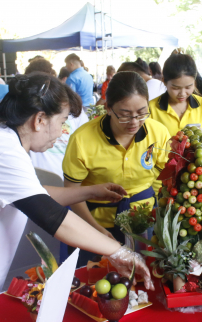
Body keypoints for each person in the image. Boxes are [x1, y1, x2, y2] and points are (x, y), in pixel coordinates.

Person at [0, 73, 154, 321]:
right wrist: (121, 251)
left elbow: (34, 194)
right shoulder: (1, 152)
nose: (62, 131)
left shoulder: (4, 142)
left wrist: (90, 191)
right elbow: (53, 217)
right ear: (39, 120)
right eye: (62, 121)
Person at [62, 71, 171, 267]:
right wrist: (94, 230)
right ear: (108, 108)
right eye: (125, 115)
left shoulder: (158, 132)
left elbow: (165, 175)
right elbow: (71, 192)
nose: (135, 122)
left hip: (144, 219)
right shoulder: (82, 139)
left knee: (144, 276)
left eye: (141, 113)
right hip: (95, 221)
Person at [149, 53, 202, 146]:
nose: (182, 94)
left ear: (194, 82)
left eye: (188, 87)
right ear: (164, 81)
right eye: (176, 88)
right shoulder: (151, 108)